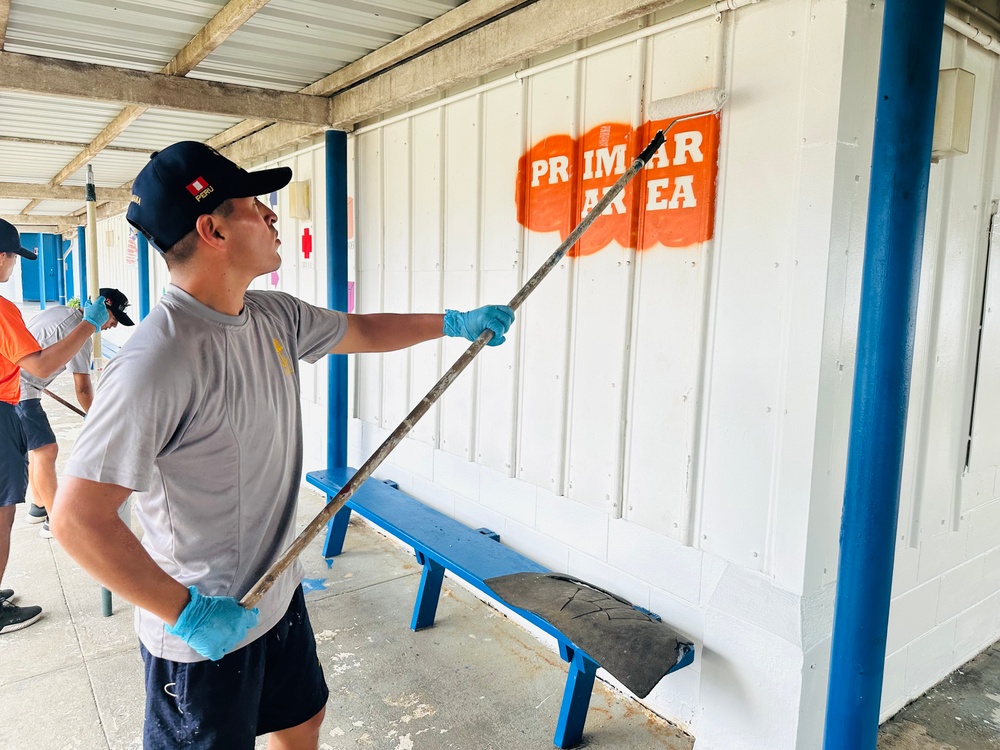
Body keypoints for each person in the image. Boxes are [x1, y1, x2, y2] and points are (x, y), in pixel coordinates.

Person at [52, 141, 515, 750]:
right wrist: (187, 612)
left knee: (302, 723)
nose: (272, 215)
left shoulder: (272, 315)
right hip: (201, 627)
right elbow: (77, 521)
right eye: (253, 204)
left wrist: (453, 323)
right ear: (212, 228)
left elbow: (363, 330)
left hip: (275, 594)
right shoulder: (156, 361)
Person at [0, 218, 109, 634]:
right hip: (6, 404)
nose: (14, 266)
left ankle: (40, 508)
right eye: (13, 256)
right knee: (2, 512)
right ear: (2, 256)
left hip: (12, 399)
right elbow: (43, 365)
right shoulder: (3, 307)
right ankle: (52, 518)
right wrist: (89, 326)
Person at [18, 288, 134, 538]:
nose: (113, 325)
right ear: (104, 310)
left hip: (21, 382)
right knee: (47, 450)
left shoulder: (61, 312)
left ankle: (38, 507)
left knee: (38, 449)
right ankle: (55, 520)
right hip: (19, 388)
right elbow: (82, 388)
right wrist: (97, 420)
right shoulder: (81, 332)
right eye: (114, 318)